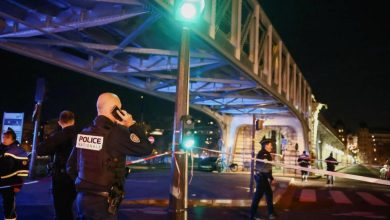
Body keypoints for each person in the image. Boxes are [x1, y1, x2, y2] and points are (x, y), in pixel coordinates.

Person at [67, 92, 153, 220]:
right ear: (115, 110)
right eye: (120, 108)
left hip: (81, 200)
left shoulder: (84, 132)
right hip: (103, 204)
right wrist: (131, 124)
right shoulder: (116, 134)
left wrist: (85, 185)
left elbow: (70, 166)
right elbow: (146, 148)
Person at [37, 110, 77, 220]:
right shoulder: (81, 135)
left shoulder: (59, 136)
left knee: (61, 209)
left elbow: (40, 149)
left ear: (60, 122)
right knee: (70, 208)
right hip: (79, 177)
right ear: (73, 121)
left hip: (62, 178)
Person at [0, 128, 29, 220]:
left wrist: (18, 185)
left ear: (13, 139)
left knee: (9, 205)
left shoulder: (18, 151)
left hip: (10, 182)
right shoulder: (1, 149)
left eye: (7, 137)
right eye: (3, 137)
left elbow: (23, 170)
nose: (4, 139)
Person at [249, 138, 276, 220]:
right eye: (270, 145)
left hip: (262, 177)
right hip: (262, 178)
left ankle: (271, 213)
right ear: (266, 145)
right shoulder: (264, 154)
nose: (271, 146)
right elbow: (265, 168)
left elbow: (267, 167)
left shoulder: (264, 153)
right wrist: (271, 178)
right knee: (258, 196)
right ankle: (253, 215)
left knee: (268, 195)